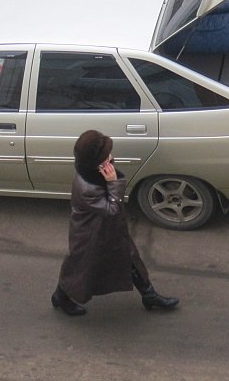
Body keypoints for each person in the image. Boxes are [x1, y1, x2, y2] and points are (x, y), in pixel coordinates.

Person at [51, 130, 179, 316]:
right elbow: (112, 209)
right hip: (91, 236)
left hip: (108, 230)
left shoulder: (92, 171)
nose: (110, 157)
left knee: (130, 259)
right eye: (106, 155)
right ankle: (61, 297)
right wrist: (113, 182)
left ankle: (149, 295)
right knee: (81, 268)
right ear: (96, 162)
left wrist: (110, 177)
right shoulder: (87, 187)